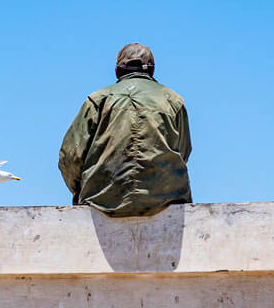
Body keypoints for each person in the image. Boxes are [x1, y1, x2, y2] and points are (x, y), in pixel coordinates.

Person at [58, 42, 192, 217]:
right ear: (152, 71)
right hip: (165, 200)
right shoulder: (173, 101)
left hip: (102, 201)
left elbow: (70, 157)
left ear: (117, 71)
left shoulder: (98, 100)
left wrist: (82, 192)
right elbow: (183, 152)